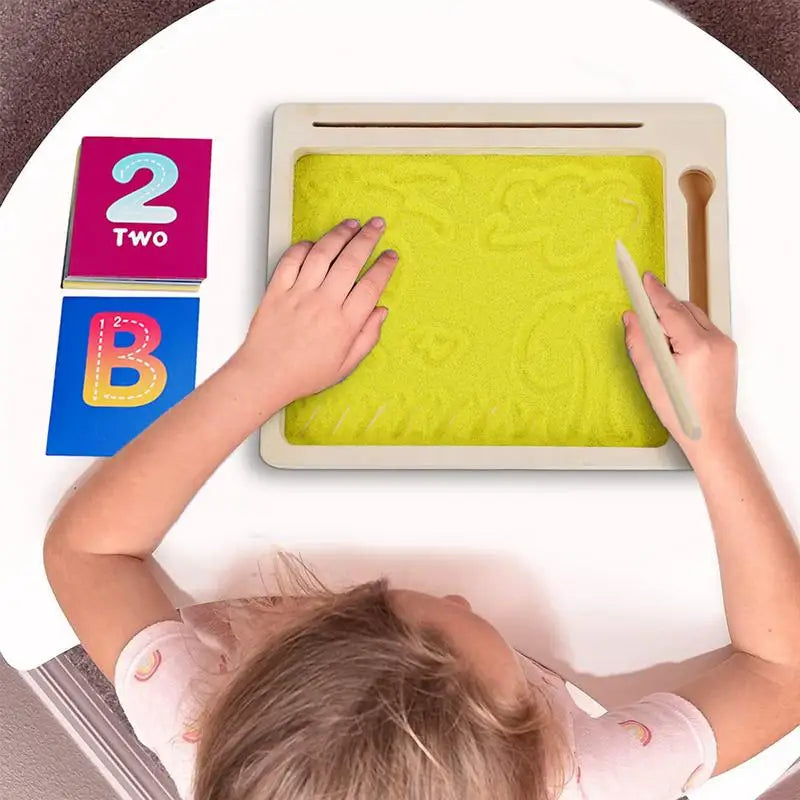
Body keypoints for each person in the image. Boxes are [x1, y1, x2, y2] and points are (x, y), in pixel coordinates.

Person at [44, 218, 800, 800]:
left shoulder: (202, 726)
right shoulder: (583, 778)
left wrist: (261, 373)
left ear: (251, 672)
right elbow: (783, 670)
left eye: (373, 603)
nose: (462, 594)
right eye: (474, 624)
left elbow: (86, 553)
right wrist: (713, 433)